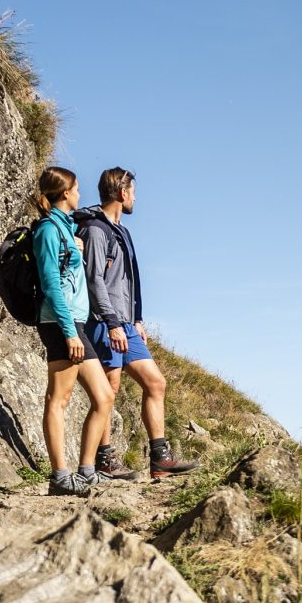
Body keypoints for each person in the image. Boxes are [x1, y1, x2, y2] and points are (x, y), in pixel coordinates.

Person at [78, 167, 199, 479]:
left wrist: (137, 320)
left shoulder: (121, 231)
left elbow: (128, 281)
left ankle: (160, 459)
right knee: (109, 389)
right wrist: (113, 322)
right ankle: (105, 460)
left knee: (156, 383)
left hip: (128, 323)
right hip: (105, 322)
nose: (135, 198)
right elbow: (95, 282)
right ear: (121, 193)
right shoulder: (94, 230)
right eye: (132, 192)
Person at [30, 165, 114, 496]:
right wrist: (69, 332)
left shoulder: (65, 229)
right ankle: (60, 477)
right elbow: (51, 284)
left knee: (104, 397)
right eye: (77, 188)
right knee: (59, 398)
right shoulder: (48, 231)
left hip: (74, 322)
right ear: (66, 193)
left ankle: (87, 470)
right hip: (59, 322)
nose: (80, 194)